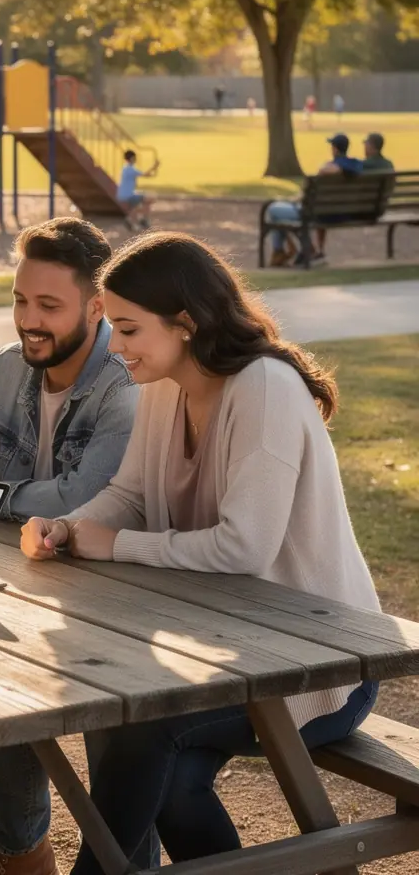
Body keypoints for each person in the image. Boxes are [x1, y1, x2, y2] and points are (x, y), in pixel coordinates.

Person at [21, 231, 381, 875]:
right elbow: (130, 494)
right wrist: (66, 528)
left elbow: (245, 547)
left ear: (184, 323)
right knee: (173, 781)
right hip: (231, 648)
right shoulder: (163, 384)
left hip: (320, 663)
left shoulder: (264, 387)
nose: (115, 347)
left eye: (129, 329)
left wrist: (116, 545)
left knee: (145, 727)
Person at [0, 217, 148, 875]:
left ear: (96, 307)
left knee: (25, 701)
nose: (28, 320)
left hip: (112, 595)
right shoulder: (3, 369)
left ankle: (23, 857)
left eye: (49, 305)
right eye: (20, 300)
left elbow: (79, 497)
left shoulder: (124, 386)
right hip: (17, 574)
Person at [264, 133, 362, 266]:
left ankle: (285, 250)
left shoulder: (328, 169)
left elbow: (309, 192)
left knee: (272, 210)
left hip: (317, 214)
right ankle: (292, 250)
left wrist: (325, 169)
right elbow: (355, 167)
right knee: (280, 216)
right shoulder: (355, 165)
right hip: (341, 212)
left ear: (334, 149)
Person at [117, 150, 158, 230]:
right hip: (128, 195)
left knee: (137, 205)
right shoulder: (130, 169)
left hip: (124, 194)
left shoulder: (125, 168)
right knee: (149, 198)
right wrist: (154, 167)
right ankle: (143, 219)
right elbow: (146, 174)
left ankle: (132, 220)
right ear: (132, 158)